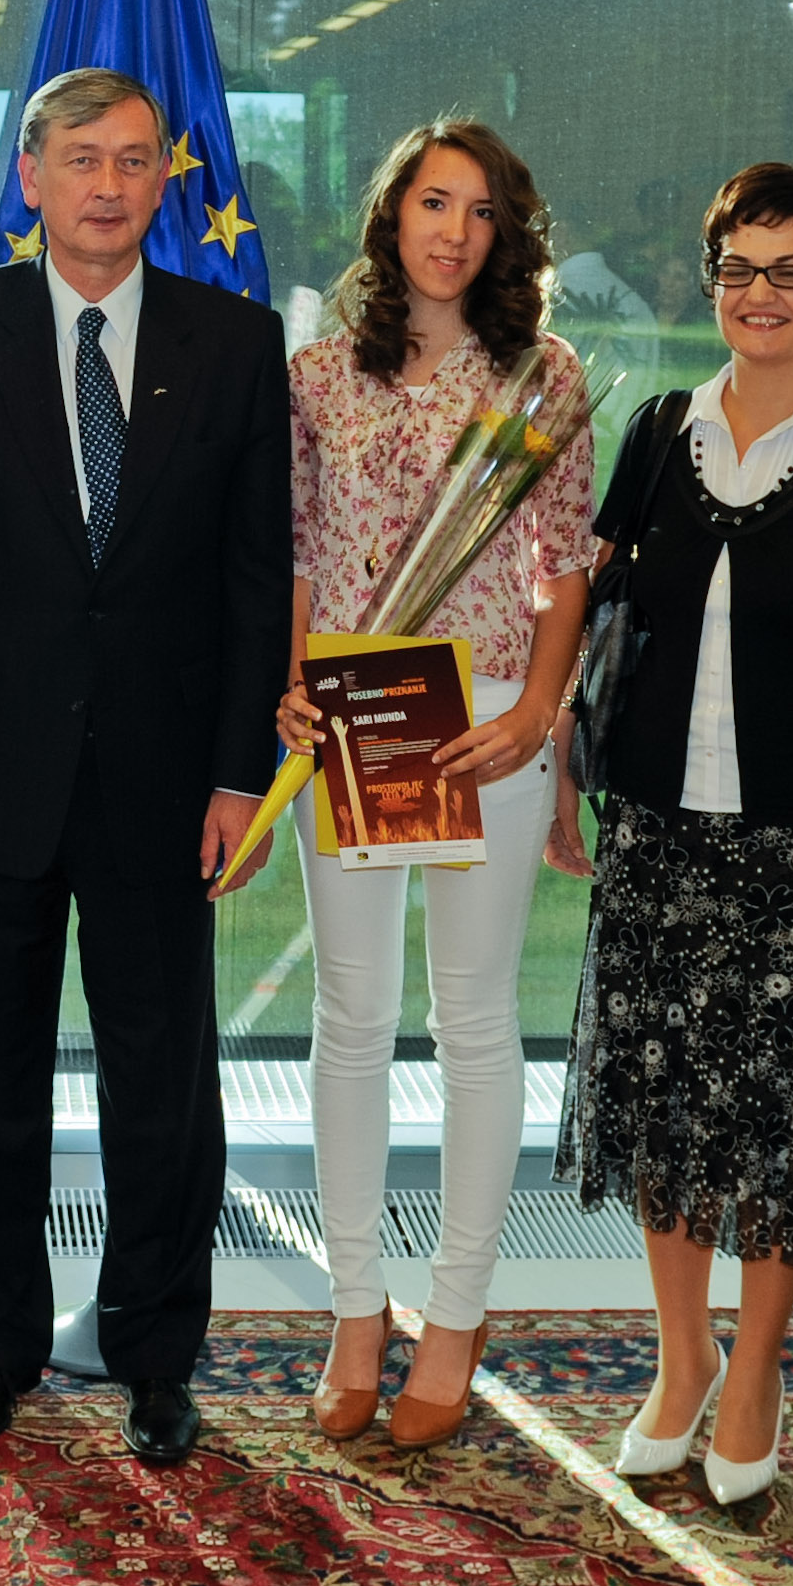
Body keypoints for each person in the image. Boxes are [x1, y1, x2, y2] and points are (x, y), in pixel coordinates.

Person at [0, 66, 292, 1467]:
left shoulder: (235, 341)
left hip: (167, 785)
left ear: (164, 177)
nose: (108, 185)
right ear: (32, 177)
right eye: (81, 158)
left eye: (132, 159)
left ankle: (156, 1353)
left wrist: (240, 773)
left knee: (161, 1090)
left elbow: (256, 574)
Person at [552, 164, 793, 1506]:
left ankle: (759, 1367)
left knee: (779, 1119)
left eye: (790, 270)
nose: (758, 293)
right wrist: (568, 779)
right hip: (657, 830)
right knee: (663, 1104)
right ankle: (683, 1358)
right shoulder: (659, 431)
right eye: (736, 268)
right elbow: (598, 624)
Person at [270, 120, 592, 1450]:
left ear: (506, 234)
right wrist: (293, 686)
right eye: (432, 202)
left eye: (480, 210)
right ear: (391, 215)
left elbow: (564, 567)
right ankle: (356, 1307)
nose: (453, 231)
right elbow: (301, 552)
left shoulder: (542, 375)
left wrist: (536, 713)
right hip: (356, 725)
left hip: (487, 730)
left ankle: (456, 1313)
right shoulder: (316, 374)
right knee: (351, 1018)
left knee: (473, 1024)